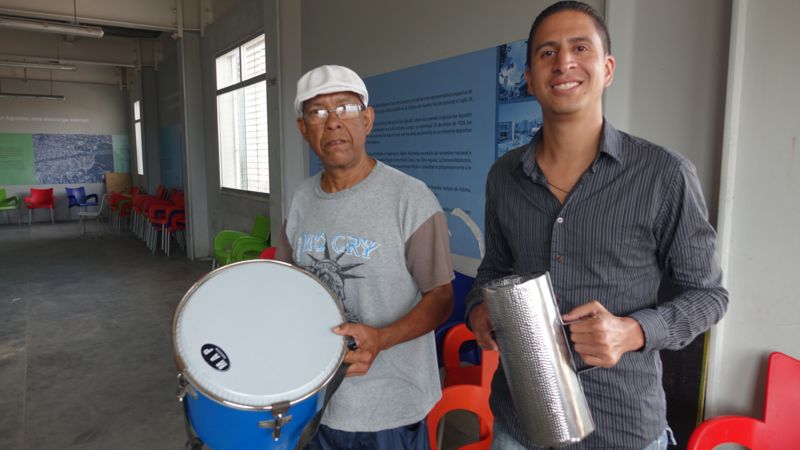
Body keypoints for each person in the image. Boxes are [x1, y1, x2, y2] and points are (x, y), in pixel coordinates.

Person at [465, 2, 728, 449]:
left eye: (580, 48)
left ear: (607, 69)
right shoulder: (503, 177)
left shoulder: (663, 174)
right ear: (528, 78)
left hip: (622, 425)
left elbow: (709, 296)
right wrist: (478, 312)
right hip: (521, 424)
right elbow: (494, 270)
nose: (564, 62)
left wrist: (635, 331)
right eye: (547, 53)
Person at [275, 64, 455, 450]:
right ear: (303, 128)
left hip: (390, 408)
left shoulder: (410, 198)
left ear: (368, 119)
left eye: (346, 108)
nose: (333, 122)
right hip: (317, 403)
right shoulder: (301, 200)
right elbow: (286, 288)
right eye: (317, 112)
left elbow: (441, 298)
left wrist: (383, 338)